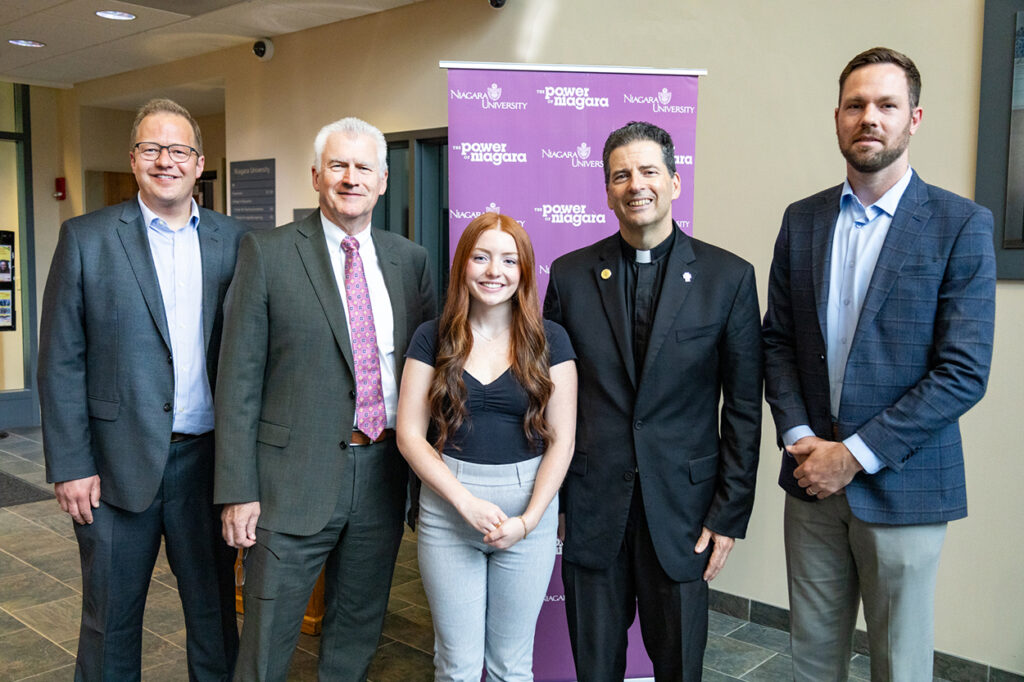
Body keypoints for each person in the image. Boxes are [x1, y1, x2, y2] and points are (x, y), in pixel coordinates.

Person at [762, 47, 997, 681]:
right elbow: (778, 341)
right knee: (811, 658)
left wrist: (855, 454)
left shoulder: (960, 224)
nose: (870, 117)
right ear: (836, 117)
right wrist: (800, 437)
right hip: (810, 481)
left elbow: (963, 371)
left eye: (886, 105)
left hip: (905, 486)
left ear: (913, 118)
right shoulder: (802, 219)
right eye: (856, 104)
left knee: (901, 665)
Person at [214, 116, 436, 681]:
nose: (350, 178)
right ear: (316, 175)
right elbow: (238, 381)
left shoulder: (410, 261)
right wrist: (238, 491)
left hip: (382, 475)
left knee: (357, 633)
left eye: (364, 167)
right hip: (290, 484)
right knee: (266, 643)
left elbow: (430, 374)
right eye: (338, 165)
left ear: (383, 180)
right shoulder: (266, 254)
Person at [544, 121, 762, 680]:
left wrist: (730, 513)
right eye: (620, 175)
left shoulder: (729, 278)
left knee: (681, 667)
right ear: (607, 189)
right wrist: (557, 499)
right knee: (594, 668)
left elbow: (741, 406)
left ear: (674, 182)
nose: (635, 184)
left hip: (684, 514)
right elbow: (548, 397)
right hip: (593, 507)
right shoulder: (569, 277)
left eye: (647, 171)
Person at [37, 98, 245, 681]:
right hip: (111, 468)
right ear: (133, 159)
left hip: (207, 468)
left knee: (215, 622)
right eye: (152, 149)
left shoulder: (238, 241)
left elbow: (253, 360)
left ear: (199, 162)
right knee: (110, 623)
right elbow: (60, 360)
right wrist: (70, 464)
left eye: (178, 150)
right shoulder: (87, 238)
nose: (165, 161)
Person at [397, 213, 577, 681]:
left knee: (511, 666)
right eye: (481, 257)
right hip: (448, 506)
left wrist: (531, 520)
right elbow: (409, 435)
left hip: (527, 512)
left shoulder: (550, 339)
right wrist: (463, 502)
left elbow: (562, 440)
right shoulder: (431, 336)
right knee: (455, 665)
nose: (493, 271)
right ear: (462, 265)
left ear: (524, 271)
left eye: (508, 260)